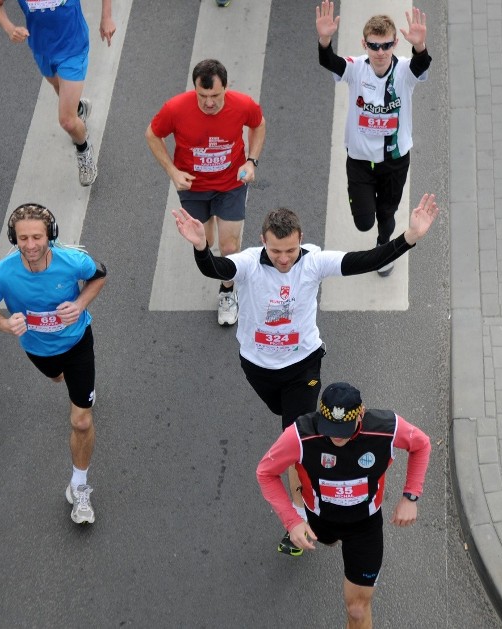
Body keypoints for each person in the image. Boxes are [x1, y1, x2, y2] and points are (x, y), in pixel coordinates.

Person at [173, 192, 439, 555]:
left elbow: (366, 260)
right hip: (257, 365)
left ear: (300, 241)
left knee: (295, 441)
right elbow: (216, 270)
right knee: (281, 417)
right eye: (276, 251)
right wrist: (203, 247)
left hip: (303, 365)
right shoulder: (250, 263)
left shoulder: (314, 261)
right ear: (263, 241)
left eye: (291, 251)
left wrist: (409, 237)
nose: (284, 259)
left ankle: (298, 520)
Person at [256, 382, 431, 629]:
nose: (337, 436)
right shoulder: (300, 434)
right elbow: (265, 472)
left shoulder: (386, 429)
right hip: (319, 520)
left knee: (357, 610)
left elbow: (421, 444)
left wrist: (411, 496)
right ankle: (324, 533)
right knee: (327, 540)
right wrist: (293, 520)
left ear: (361, 414)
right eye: (330, 428)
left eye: (344, 429)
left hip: (364, 527)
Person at [0, 203, 107, 524]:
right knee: (56, 379)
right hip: (38, 349)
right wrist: (6, 325)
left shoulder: (72, 261)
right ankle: (77, 388)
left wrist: (79, 304)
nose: (30, 245)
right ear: (14, 238)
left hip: (77, 343)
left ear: (50, 236)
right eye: (23, 238)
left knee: (81, 420)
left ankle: (79, 487)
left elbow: (99, 277)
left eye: (37, 237)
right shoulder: (2, 273)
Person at [146, 58, 266, 326]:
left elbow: (258, 124)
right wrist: (173, 172)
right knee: (206, 241)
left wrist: (252, 160)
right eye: (203, 95)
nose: (209, 102)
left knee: (228, 245)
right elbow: (152, 135)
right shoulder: (175, 108)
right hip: (193, 188)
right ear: (194, 89)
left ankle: (227, 291)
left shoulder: (243, 105)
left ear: (226, 87)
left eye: (215, 95)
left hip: (230, 184)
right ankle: (216, 254)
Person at [316, 2, 431, 277]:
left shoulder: (404, 71)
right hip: (359, 160)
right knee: (364, 222)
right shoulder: (356, 68)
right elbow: (330, 62)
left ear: (394, 44)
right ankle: (369, 221)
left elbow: (421, 64)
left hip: (395, 160)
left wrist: (420, 45)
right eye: (374, 45)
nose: (380, 52)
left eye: (386, 45)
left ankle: (384, 247)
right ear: (364, 44)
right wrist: (324, 40)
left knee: (387, 215)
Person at [0, 0, 116, 187]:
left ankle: (84, 149)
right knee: (60, 90)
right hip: (42, 49)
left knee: (67, 121)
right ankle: (80, 108)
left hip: (73, 49)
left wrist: (107, 17)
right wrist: (9, 28)